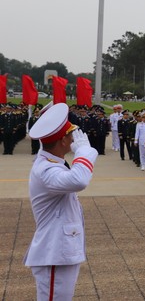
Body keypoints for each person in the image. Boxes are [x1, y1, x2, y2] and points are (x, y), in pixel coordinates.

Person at [24, 103, 98, 301]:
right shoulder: (46, 169)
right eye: (70, 134)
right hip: (54, 252)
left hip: (60, 250)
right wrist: (84, 151)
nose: (74, 138)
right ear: (63, 140)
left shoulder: (52, 162)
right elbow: (79, 180)